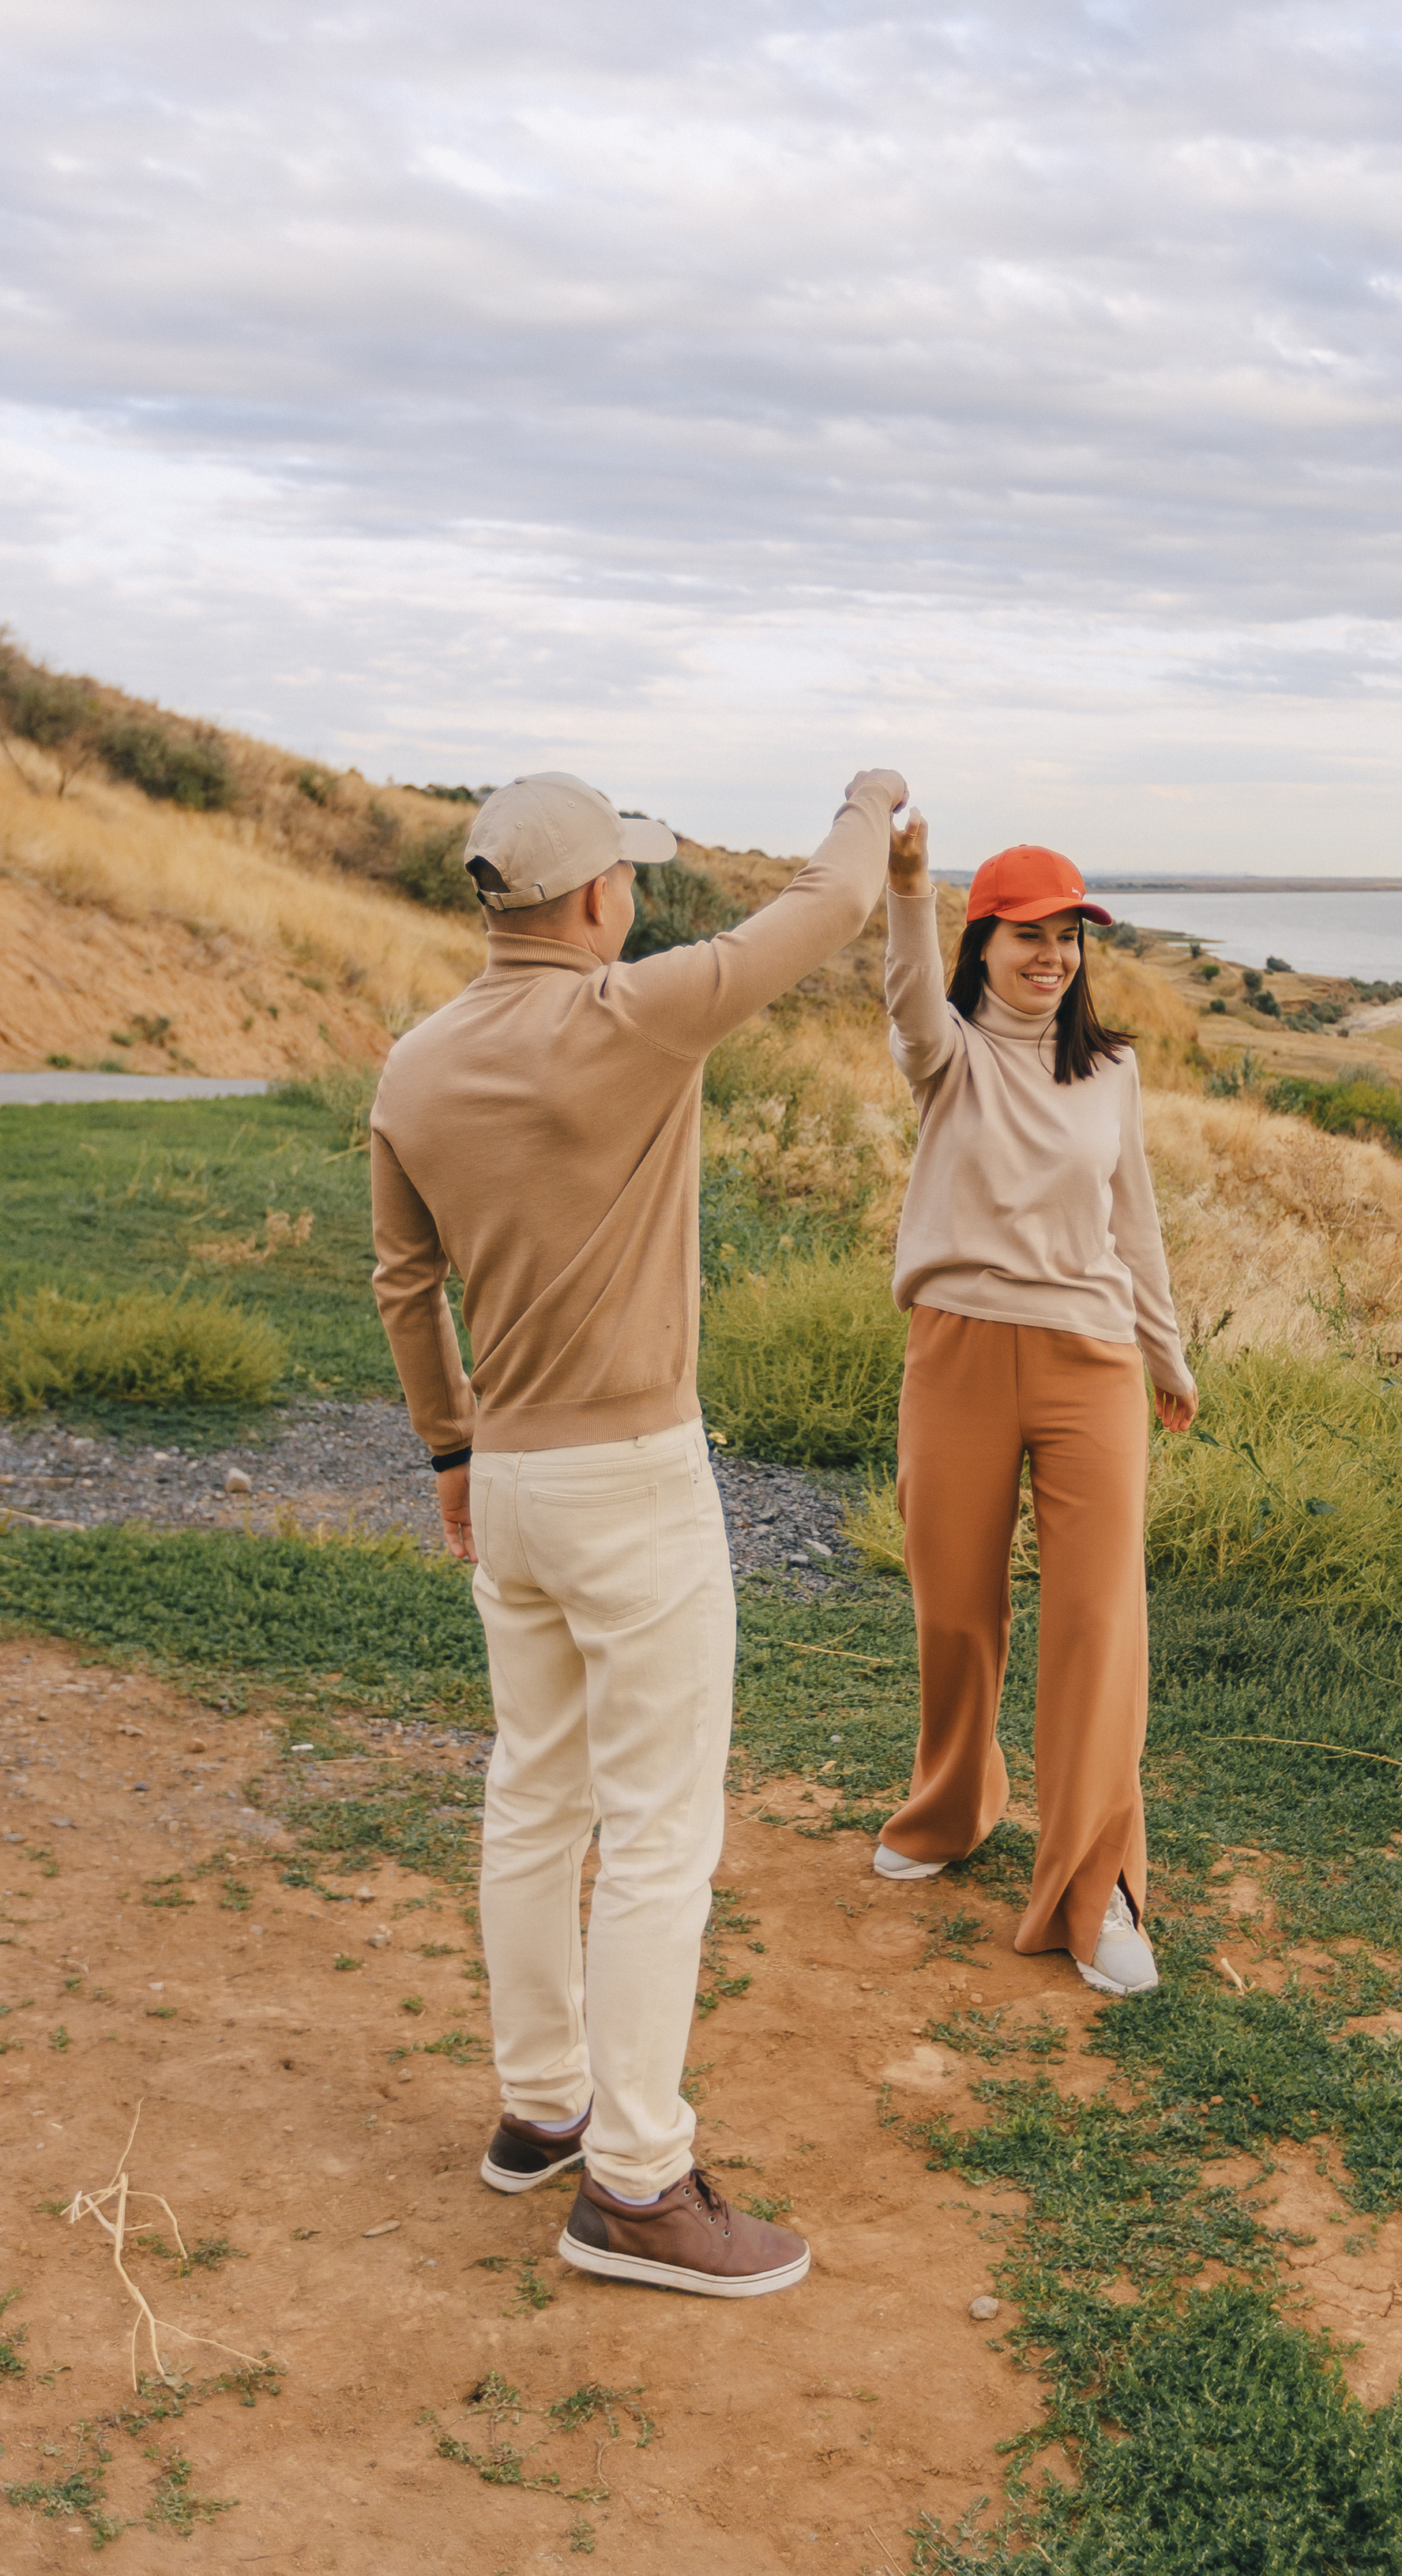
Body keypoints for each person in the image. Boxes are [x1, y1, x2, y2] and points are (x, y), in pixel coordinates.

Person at [370, 761, 907, 2298]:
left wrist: (448, 1455)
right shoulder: (634, 1013)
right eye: (630, 884)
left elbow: (406, 1291)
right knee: (659, 1830)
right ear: (598, 895)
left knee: (535, 1792)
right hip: (630, 1479)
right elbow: (827, 901)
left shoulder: (412, 1066)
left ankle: (543, 2109)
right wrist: (872, 799)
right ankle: (637, 2185)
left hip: (512, 1480)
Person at [874, 822, 1197, 1995]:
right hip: (957, 1350)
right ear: (985, 944)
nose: (1052, 956)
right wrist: (908, 889)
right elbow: (910, 998)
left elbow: (1136, 1223)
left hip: (1092, 1362)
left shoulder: (1111, 1072)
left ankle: (1096, 1886)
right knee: (955, 1602)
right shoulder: (947, 1054)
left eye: (1067, 937)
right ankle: (953, 1809)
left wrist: (1168, 1355)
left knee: (1097, 1624)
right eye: (1029, 936)